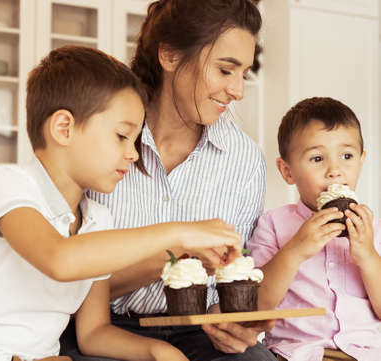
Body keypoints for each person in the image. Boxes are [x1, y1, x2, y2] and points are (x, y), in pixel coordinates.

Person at [0, 46, 243, 361]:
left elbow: (93, 332)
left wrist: (159, 351)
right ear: (63, 128)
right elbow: (59, 259)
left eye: (135, 140)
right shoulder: (9, 184)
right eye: (122, 136)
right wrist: (179, 234)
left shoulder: (97, 219)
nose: (134, 154)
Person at [60, 1, 276, 360]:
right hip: (105, 329)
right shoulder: (101, 147)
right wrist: (177, 254)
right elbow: (70, 279)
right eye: (225, 70)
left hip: (198, 330)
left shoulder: (245, 160)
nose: (238, 90)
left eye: (244, 73)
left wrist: (231, 325)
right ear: (170, 56)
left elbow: (226, 281)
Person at [247, 97, 381, 361]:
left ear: (362, 160)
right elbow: (257, 308)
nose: (335, 170)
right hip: (295, 354)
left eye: (347, 156)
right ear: (287, 171)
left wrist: (367, 256)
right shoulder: (272, 225)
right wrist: (295, 250)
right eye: (317, 158)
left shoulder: (373, 228)